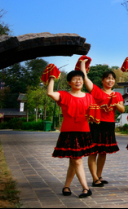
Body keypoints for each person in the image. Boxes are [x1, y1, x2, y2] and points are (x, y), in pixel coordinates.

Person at [46, 58, 97, 199]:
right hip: (68, 132)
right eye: (74, 79)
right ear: (69, 82)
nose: (78, 81)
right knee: (76, 160)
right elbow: (50, 93)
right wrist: (51, 77)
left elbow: (94, 115)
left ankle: (67, 186)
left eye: (80, 79)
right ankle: (86, 188)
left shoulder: (89, 97)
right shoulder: (63, 95)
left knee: (75, 160)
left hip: (84, 132)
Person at [82, 70, 125, 187]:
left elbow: (122, 109)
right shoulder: (96, 91)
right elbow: (85, 79)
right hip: (96, 124)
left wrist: (115, 103)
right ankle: (94, 178)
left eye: (112, 78)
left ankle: (99, 176)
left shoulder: (117, 95)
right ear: (102, 80)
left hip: (109, 125)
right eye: (107, 78)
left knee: (103, 152)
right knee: (93, 152)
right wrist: (83, 66)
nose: (110, 80)